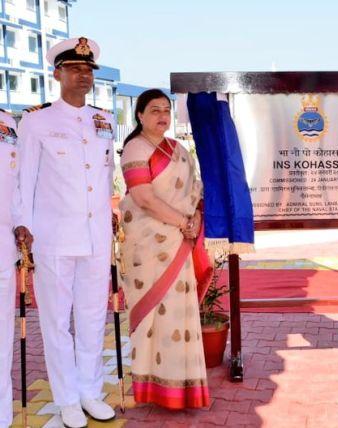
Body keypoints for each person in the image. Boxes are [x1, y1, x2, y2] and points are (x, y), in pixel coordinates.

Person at [14, 37, 117, 428]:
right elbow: (24, 178)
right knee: (57, 321)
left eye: (88, 70)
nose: (83, 75)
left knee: (93, 317)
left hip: (94, 236)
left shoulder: (102, 120)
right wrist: (22, 223)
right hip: (53, 236)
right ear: (57, 73)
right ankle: (67, 399)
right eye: (75, 69)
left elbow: (105, 176)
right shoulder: (36, 121)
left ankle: (91, 392)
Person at [119, 89, 212, 409]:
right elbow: (143, 197)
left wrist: (195, 218)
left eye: (166, 111)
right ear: (139, 115)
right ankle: (154, 389)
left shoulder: (180, 150)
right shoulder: (135, 146)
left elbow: (196, 192)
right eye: (154, 110)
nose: (162, 116)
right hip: (148, 249)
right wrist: (183, 222)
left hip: (178, 244)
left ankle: (182, 387)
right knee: (154, 318)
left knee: (180, 315)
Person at [0, 109, 20, 428]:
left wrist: (22, 224)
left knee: (3, 341)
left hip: (3, 249)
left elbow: (16, 183)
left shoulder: (8, 123)